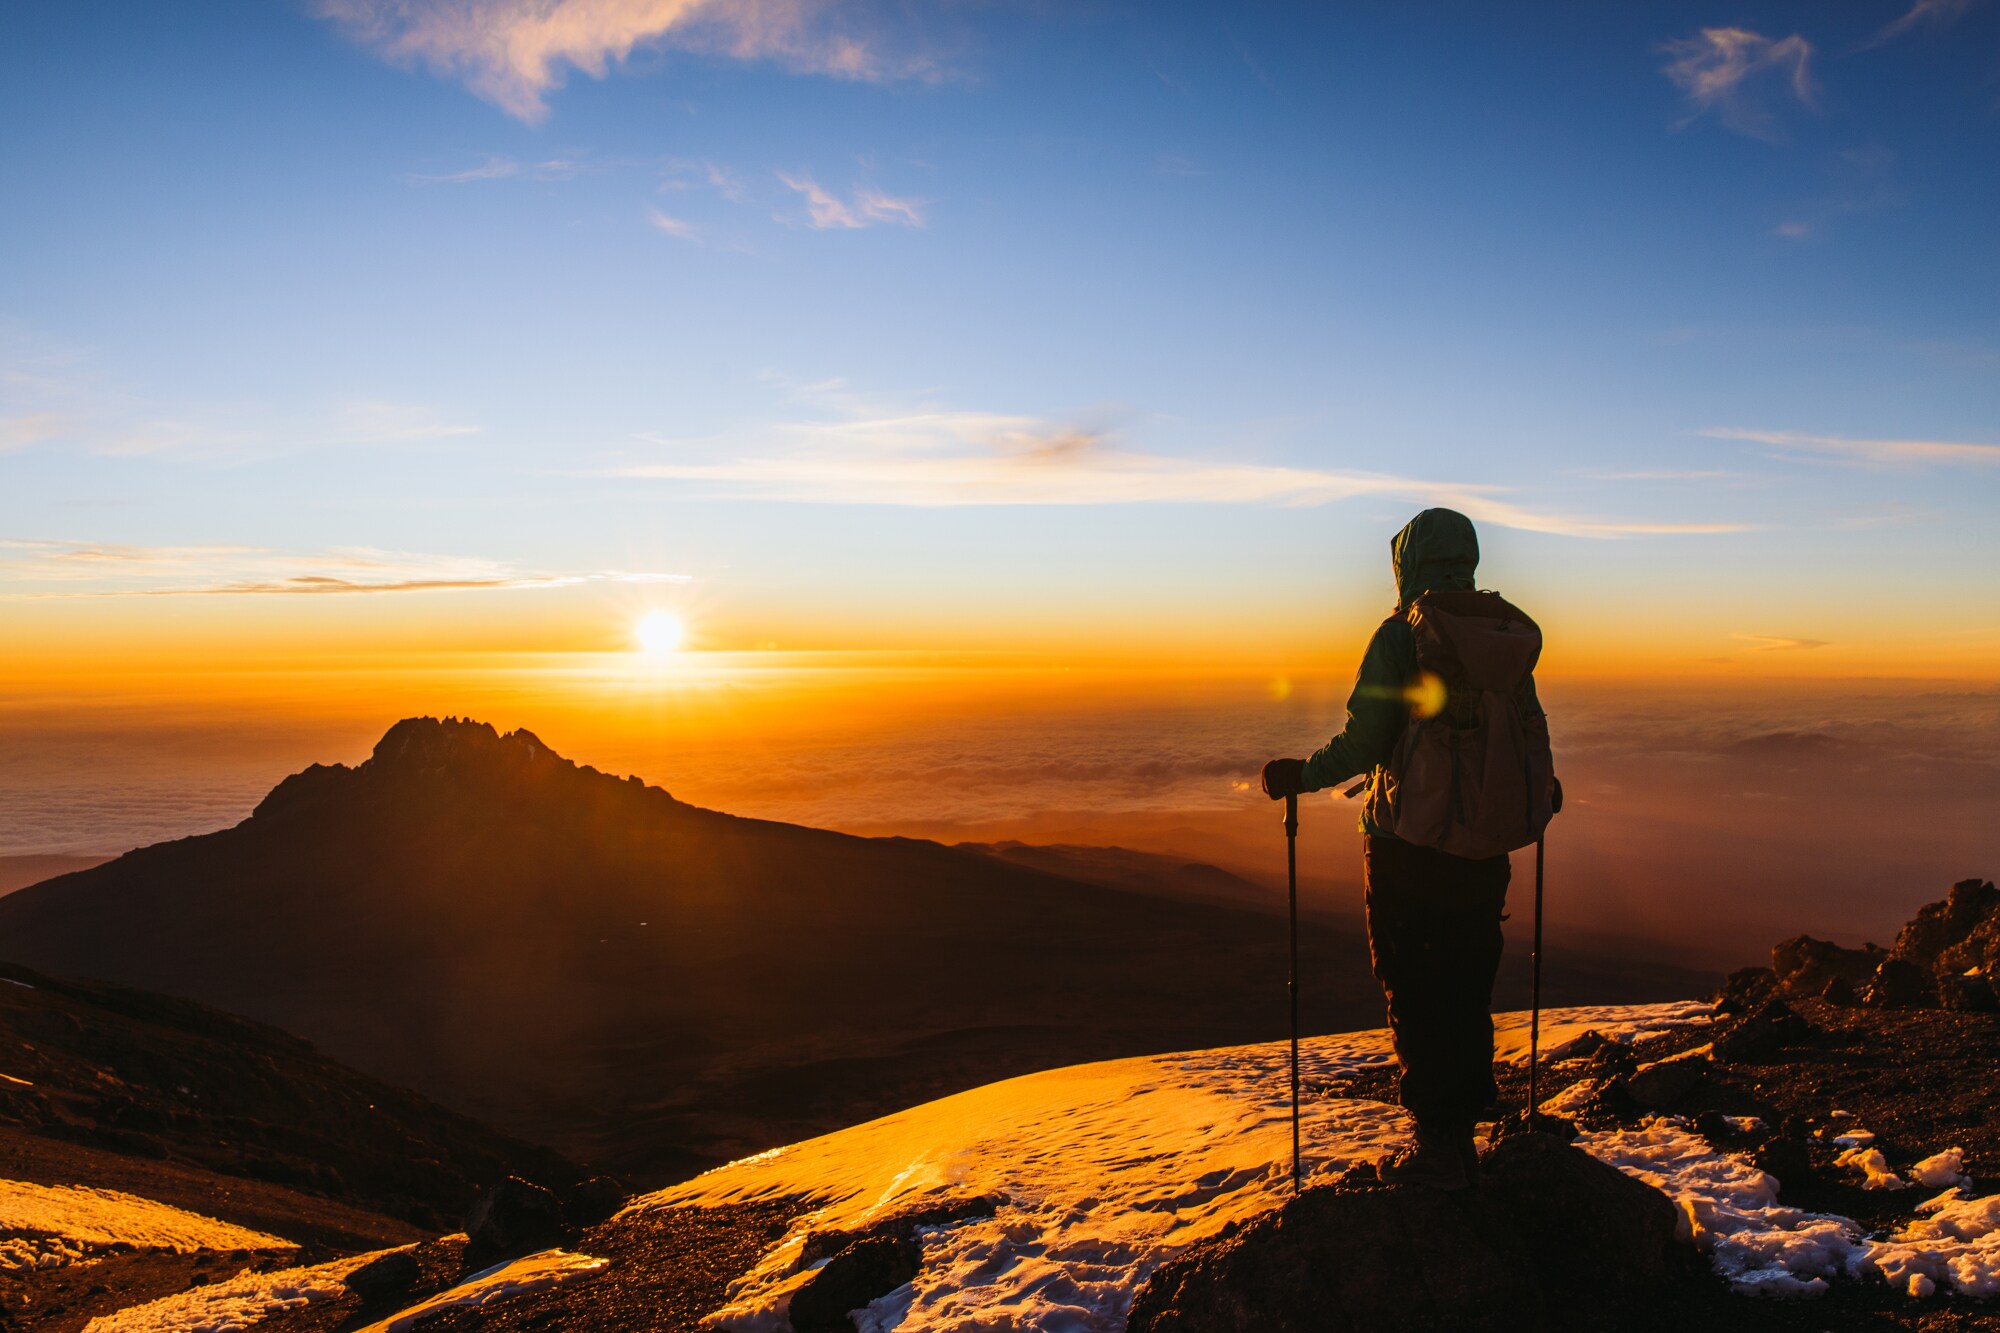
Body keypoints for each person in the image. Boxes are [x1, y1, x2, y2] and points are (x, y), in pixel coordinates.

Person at [1260, 507, 1556, 1191]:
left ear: (1407, 563)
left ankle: (1437, 1143)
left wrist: (1300, 774)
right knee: (1466, 979)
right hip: (1487, 845)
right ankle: (1464, 1128)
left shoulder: (1403, 637)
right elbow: (1529, 729)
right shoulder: (1504, 637)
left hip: (1407, 846)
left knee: (1413, 982)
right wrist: (1539, 795)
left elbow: (1366, 739)